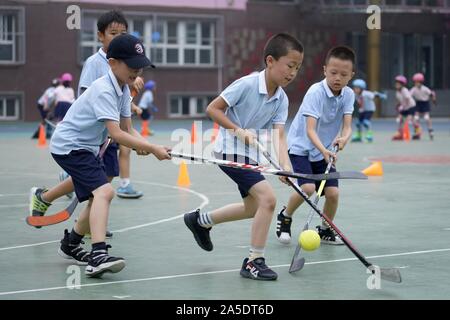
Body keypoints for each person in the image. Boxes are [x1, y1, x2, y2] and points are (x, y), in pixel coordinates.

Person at [28, 34, 171, 277]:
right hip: (70, 146)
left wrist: (147, 144)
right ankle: (98, 254)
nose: (137, 71)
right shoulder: (104, 89)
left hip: (88, 147)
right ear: (112, 63)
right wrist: (151, 149)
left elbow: (127, 129)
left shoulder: (123, 89)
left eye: (140, 66)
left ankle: (70, 242)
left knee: (97, 194)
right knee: (104, 191)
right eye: (132, 65)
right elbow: (116, 134)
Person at [183, 33, 304, 281]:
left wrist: (286, 167)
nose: (292, 73)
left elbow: (279, 137)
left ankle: (200, 221)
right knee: (268, 200)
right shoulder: (247, 84)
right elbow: (213, 109)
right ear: (270, 61)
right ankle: (253, 261)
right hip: (229, 149)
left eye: (297, 68)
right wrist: (238, 130)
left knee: (253, 207)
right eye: (289, 66)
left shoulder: (281, 98)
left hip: (249, 154)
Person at [276, 46, 355, 246]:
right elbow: (310, 130)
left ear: (351, 76)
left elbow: (347, 127)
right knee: (308, 188)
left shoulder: (348, 95)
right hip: (301, 147)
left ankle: (325, 229)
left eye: (343, 74)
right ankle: (285, 216)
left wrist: (344, 139)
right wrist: (325, 150)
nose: (337, 78)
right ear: (325, 70)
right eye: (333, 72)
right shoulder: (315, 92)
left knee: (333, 193)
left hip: (324, 150)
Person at [351, 78, 387, 143]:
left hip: (370, 109)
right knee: (358, 123)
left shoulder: (366, 93)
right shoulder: (355, 94)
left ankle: (369, 135)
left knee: (366, 122)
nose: (355, 89)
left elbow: (374, 94)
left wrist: (381, 96)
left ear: (362, 89)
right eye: (355, 88)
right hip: (362, 110)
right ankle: (358, 136)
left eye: (357, 88)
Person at [410, 72, 437, 140]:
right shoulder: (413, 89)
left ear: (421, 82)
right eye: (415, 82)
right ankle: (417, 133)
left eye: (418, 82)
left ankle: (430, 131)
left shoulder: (425, 89)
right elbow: (409, 96)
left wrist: (434, 100)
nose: (416, 83)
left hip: (425, 103)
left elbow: (432, 94)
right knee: (416, 118)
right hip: (418, 103)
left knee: (426, 118)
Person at [392, 75, 416, 141]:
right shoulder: (397, 92)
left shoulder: (404, 90)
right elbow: (400, 101)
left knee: (409, 120)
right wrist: (398, 105)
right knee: (401, 120)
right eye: (396, 83)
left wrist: (403, 107)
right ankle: (400, 134)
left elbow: (407, 99)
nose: (397, 84)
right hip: (405, 107)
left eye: (398, 83)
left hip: (411, 106)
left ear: (402, 85)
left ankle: (417, 131)